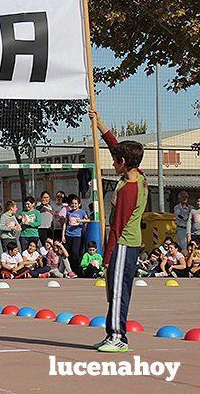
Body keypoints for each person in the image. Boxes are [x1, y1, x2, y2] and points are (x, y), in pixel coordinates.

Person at [90, 109, 148, 353]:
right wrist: (101, 126)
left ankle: (117, 336)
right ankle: (112, 333)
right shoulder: (137, 175)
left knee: (117, 291)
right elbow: (116, 147)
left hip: (123, 244)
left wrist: (106, 257)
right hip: (124, 244)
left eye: (115, 161)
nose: (113, 163)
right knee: (115, 291)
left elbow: (117, 227)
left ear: (124, 163)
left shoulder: (129, 190)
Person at [63, 195, 89, 271]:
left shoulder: (82, 212)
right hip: (68, 234)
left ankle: (77, 269)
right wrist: (63, 235)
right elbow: (65, 223)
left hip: (77, 235)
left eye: (75, 203)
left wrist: (80, 221)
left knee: (75, 252)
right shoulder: (69, 213)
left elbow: (87, 220)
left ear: (79, 204)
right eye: (72, 203)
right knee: (68, 252)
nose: (74, 205)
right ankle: (70, 269)